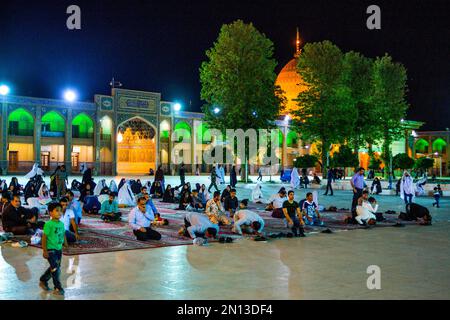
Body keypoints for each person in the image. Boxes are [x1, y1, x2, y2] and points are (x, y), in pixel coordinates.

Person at [39, 202, 67, 295]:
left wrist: (65, 244)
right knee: (55, 269)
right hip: (50, 250)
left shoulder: (61, 224)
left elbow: (63, 234)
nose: (59, 213)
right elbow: (44, 237)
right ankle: (57, 287)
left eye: (60, 211)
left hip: (58, 249)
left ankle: (43, 279)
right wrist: (44, 250)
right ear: (50, 213)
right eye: (57, 211)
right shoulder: (49, 224)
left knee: (55, 267)